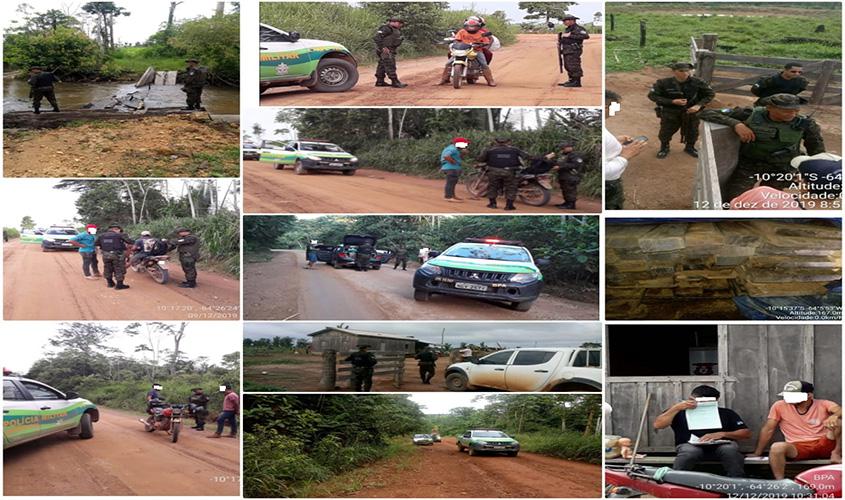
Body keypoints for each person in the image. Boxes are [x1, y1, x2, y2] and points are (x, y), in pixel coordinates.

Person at [699, 93, 825, 201]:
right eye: (786, 110)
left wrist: (812, 173)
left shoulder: (805, 124)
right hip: (750, 164)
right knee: (735, 198)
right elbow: (706, 113)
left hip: (782, 167)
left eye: (796, 111)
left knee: (769, 199)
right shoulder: (750, 114)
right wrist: (736, 124)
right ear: (769, 107)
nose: (792, 114)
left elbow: (817, 150)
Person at [653, 385, 751, 478]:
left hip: (720, 445)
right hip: (689, 445)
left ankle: (736, 481)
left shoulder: (726, 413)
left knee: (730, 450)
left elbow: (746, 433)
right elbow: (658, 425)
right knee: (690, 452)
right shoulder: (679, 412)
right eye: (692, 400)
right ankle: (676, 480)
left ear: (715, 401)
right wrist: (676, 408)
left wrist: (722, 434)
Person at [751, 380, 842, 480]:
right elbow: (768, 429)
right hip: (798, 446)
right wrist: (757, 453)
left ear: (809, 395)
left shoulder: (823, 404)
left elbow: (840, 410)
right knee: (777, 447)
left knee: (839, 421)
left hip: (824, 443)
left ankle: (837, 453)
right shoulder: (779, 406)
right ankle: (780, 483)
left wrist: (835, 416)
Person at [648, 62, 715, 159]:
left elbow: (710, 94)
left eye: (687, 71)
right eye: (681, 71)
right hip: (670, 112)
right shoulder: (663, 83)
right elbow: (652, 96)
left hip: (691, 112)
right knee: (666, 131)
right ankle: (664, 148)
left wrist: (698, 105)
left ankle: (690, 147)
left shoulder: (698, 82)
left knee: (692, 131)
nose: (685, 73)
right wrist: (672, 101)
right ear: (674, 71)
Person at [604, 90, 648, 210]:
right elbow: (605, 172)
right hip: (608, 185)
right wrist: (625, 156)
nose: (617, 110)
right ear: (605, 107)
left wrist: (616, 141)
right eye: (615, 106)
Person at [477, 137, 530, 211]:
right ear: (508, 142)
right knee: (511, 187)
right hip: (510, 172)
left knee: (492, 187)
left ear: (496, 142)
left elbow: (480, 159)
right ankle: (509, 206)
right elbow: (527, 156)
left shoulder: (489, 150)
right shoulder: (515, 149)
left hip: (493, 171)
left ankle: (492, 204)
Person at [440, 19, 496, 87]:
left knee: (484, 64)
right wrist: (455, 42)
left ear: (478, 26)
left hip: (476, 50)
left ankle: (490, 80)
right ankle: (443, 79)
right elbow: (457, 39)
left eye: (474, 26)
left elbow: (486, 41)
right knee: (448, 63)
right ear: (465, 26)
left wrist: (482, 44)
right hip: (462, 50)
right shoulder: (462, 32)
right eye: (469, 26)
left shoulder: (481, 33)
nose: (471, 28)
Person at [95, 222, 133, 290]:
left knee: (107, 268)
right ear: (116, 229)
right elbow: (130, 241)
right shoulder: (120, 235)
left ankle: (110, 283)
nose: (119, 231)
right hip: (117, 255)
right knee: (119, 268)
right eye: (119, 230)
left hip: (106, 255)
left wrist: (104, 247)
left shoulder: (101, 235)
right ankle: (119, 285)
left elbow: (96, 243)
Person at [373, 17, 408, 88]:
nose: (400, 25)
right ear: (394, 22)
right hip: (386, 50)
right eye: (399, 23)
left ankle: (380, 82)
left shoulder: (393, 29)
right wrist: (383, 47)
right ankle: (395, 82)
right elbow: (377, 38)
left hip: (388, 50)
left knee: (382, 65)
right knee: (390, 65)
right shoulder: (386, 28)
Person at [557, 15, 590, 88]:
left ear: (572, 21)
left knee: (574, 65)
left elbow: (586, 36)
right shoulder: (568, 29)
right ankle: (571, 80)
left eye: (566, 21)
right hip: (567, 50)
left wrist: (570, 35)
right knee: (568, 65)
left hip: (574, 50)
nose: (564, 22)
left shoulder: (578, 28)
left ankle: (577, 82)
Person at [552, 141, 587, 210]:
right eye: (562, 148)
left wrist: (560, 167)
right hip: (564, 176)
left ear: (569, 148)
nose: (562, 149)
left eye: (564, 147)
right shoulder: (563, 155)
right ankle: (566, 202)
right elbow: (559, 162)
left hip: (571, 176)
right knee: (565, 190)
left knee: (570, 190)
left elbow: (575, 164)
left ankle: (571, 205)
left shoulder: (575, 155)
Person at [441, 137, 469, 202]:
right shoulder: (452, 149)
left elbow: (458, 158)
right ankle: (448, 197)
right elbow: (446, 156)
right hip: (450, 168)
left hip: (452, 168)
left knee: (453, 182)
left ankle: (452, 196)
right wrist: (453, 162)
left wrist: (463, 154)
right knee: (450, 182)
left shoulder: (455, 149)